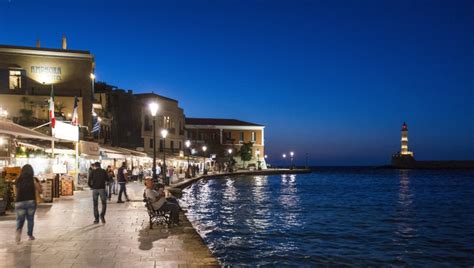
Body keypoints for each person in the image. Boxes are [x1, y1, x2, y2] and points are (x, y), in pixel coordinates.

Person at [15, 164, 42, 242]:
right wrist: (38, 183)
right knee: (30, 219)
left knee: (20, 219)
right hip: (31, 201)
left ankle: (18, 231)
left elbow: (16, 191)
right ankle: (30, 235)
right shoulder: (33, 179)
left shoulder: (18, 179)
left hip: (19, 201)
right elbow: (40, 190)